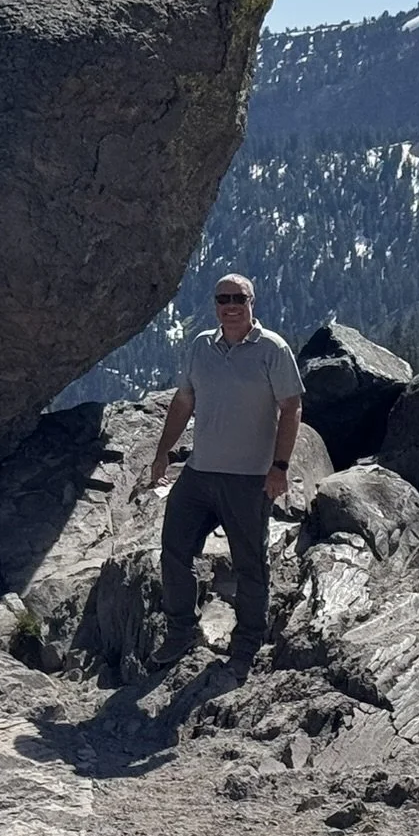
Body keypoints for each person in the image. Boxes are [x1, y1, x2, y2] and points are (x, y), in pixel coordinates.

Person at [146, 272, 303, 671]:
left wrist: (279, 467)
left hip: (249, 479)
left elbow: (291, 408)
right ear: (214, 305)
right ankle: (181, 631)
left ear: (253, 302)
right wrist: (163, 452)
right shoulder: (202, 346)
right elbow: (184, 400)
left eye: (238, 298)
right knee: (175, 552)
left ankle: (247, 643)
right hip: (199, 473)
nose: (230, 306)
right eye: (222, 299)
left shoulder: (273, 349)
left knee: (250, 564)